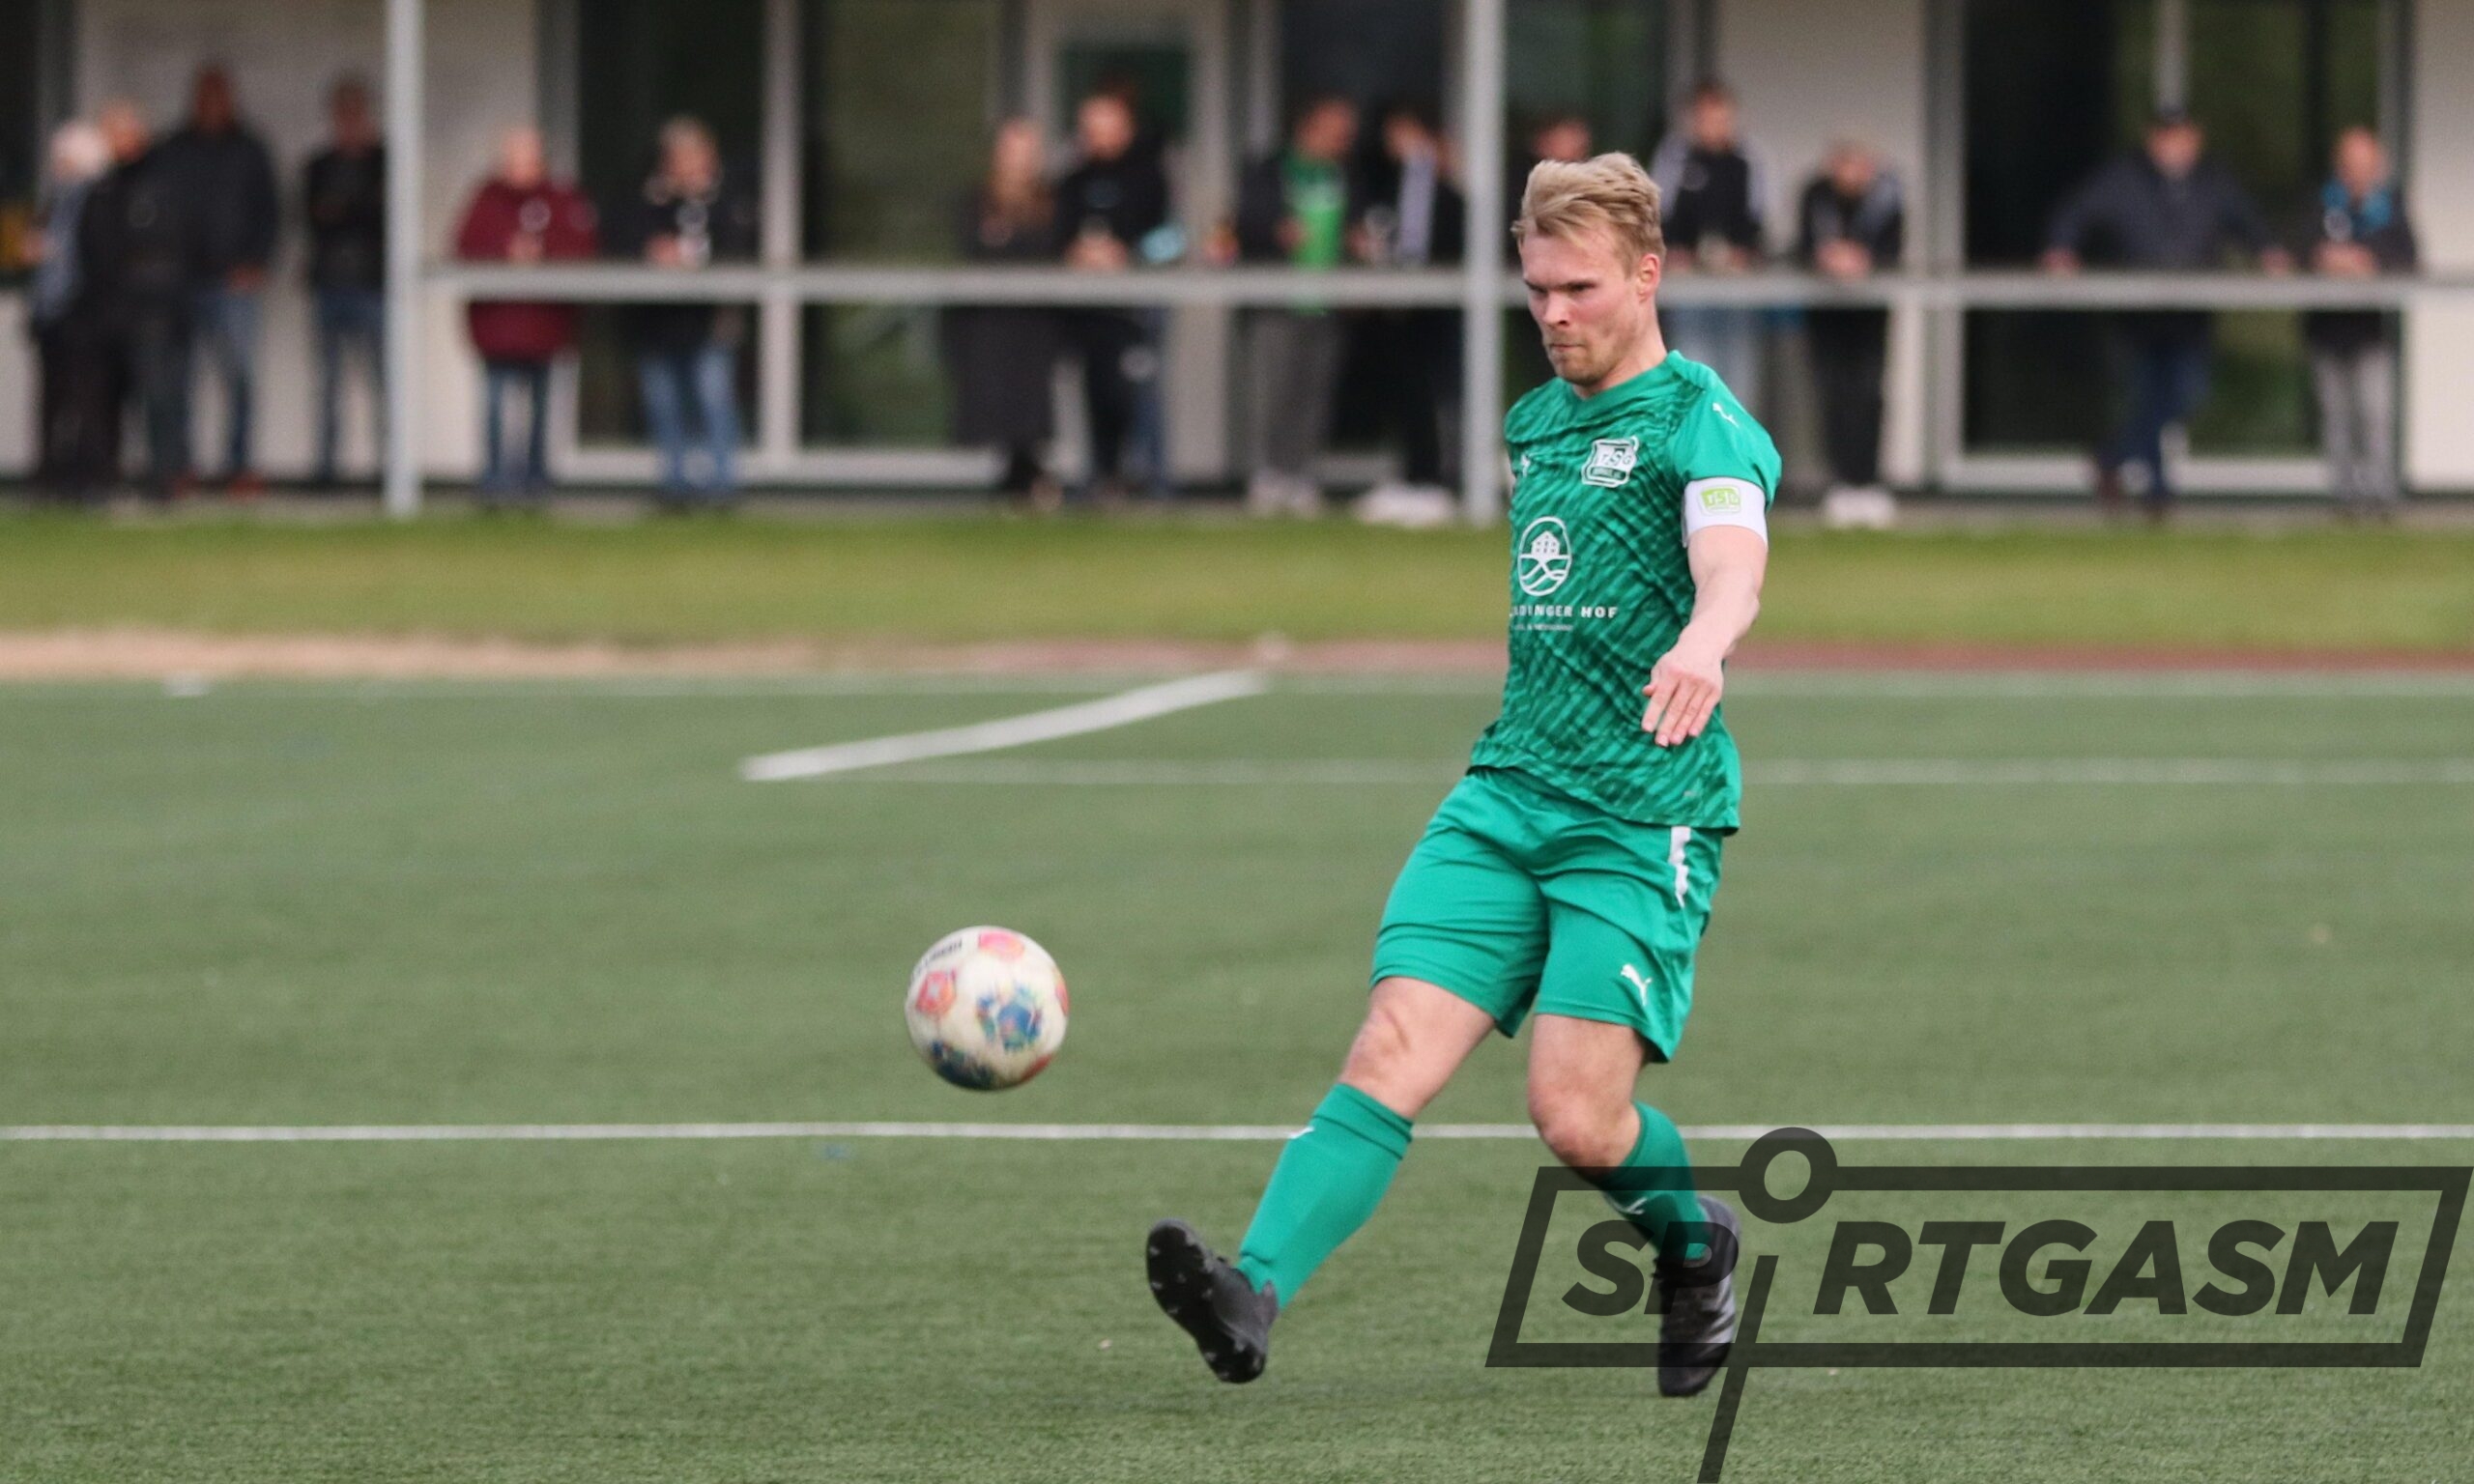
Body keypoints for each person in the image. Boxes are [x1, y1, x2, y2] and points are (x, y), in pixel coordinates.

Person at [1146, 151, 1775, 1400]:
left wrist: (1705, 639)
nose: (1553, 314)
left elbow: (1730, 556)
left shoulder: (1703, 421)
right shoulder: (1531, 426)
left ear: (1648, 275)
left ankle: (1695, 1242)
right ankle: (1251, 1289)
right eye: (1536, 289)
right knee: (1390, 1044)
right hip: (1503, 796)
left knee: (1574, 1118)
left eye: (1579, 288)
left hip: (1639, 812)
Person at [2042, 107, 2290, 518]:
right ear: (2152, 139)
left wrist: (2268, 251)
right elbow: (2077, 211)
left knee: (2186, 394)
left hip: (2191, 314)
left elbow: (2247, 221)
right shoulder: (2122, 178)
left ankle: (2111, 458)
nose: (2175, 146)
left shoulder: (2214, 182)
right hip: (2138, 312)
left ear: (2196, 139)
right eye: (2167, 137)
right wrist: (2061, 248)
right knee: (2147, 394)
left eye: (2182, 137)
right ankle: (2157, 491)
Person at [454, 126, 599, 505]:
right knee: (495, 408)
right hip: (497, 327)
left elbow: (582, 249)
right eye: (513, 160)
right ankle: (495, 481)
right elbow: (465, 247)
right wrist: (505, 251)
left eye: (527, 160)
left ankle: (536, 480)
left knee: (541, 408)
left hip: (544, 325)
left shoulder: (561, 198)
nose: (519, 168)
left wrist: (543, 254)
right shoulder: (486, 198)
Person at [621, 116, 759, 510]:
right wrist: (653, 250)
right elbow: (622, 240)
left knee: (714, 403)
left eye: (693, 157)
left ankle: (722, 487)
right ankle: (674, 486)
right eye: (678, 158)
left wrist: (695, 254)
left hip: (710, 323)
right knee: (664, 407)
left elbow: (739, 249)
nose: (686, 166)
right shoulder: (646, 200)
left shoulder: (727, 201)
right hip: (657, 323)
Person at [155, 65, 279, 496]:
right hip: (183, 281)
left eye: (219, 96)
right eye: (205, 96)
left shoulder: (249, 149)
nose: (212, 104)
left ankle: (238, 466)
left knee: (239, 377)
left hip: (233, 282)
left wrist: (256, 262)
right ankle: (181, 465)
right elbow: (157, 210)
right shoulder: (174, 149)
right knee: (179, 380)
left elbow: (270, 210)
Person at [1235, 95, 1359, 517]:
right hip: (1278, 299)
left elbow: (1359, 224)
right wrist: (1276, 231)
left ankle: (1301, 474)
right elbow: (1245, 221)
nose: (1343, 140)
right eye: (1336, 130)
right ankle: (1269, 473)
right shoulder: (1269, 170)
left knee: (1315, 391)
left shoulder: (1347, 174)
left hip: (1328, 301)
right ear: (1309, 126)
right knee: (1275, 390)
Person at [1052, 92, 1172, 503]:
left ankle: (1153, 481)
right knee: (1096, 393)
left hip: (1137, 310)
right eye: (1092, 129)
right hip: (1090, 310)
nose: (1099, 137)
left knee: (1139, 395)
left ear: (1126, 129)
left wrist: (1129, 254)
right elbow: (1056, 236)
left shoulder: (1151, 177)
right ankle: (1102, 478)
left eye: (1107, 128)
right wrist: (1076, 252)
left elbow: (1173, 239)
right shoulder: (1072, 181)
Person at [1356, 100, 1466, 523]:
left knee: (1436, 392)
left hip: (1438, 307)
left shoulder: (1448, 193)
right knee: (1405, 392)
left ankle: (1438, 479)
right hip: (1397, 309)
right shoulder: (1385, 185)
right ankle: (1414, 476)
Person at [945, 119, 1064, 510]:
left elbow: (1050, 251)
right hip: (991, 321)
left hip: (1034, 322)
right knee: (997, 401)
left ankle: (1029, 478)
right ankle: (1022, 480)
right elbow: (973, 251)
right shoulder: (977, 201)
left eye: (1027, 153)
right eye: (1013, 152)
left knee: (1030, 404)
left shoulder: (1052, 202)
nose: (1020, 161)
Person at [79, 100, 193, 500]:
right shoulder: (103, 185)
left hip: (153, 308)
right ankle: (106, 477)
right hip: (111, 309)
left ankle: (164, 478)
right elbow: (92, 248)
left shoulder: (162, 181)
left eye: (116, 134)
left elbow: (172, 244)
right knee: (108, 398)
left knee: (159, 394)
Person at [2304, 127, 2417, 520]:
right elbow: (2299, 247)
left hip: (2372, 331)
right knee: (2336, 416)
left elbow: (2408, 256)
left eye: (2366, 164)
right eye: (2352, 164)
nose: (2358, 172)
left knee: (2374, 415)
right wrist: (2325, 259)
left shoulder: (2390, 206)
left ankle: (2380, 495)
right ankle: (2345, 497)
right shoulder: (2322, 203)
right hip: (2326, 330)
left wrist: (2367, 261)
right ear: (2340, 166)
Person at [1794, 141, 1904, 515]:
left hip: (1870, 312)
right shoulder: (1815, 195)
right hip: (1826, 310)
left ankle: (1869, 480)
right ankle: (1841, 481)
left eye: (1859, 165)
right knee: (1833, 392)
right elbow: (1805, 243)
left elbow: (1892, 249)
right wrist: (1827, 257)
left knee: (1869, 392)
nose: (1852, 174)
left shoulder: (1887, 195)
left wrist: (1864, 259)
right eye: (1845, 164)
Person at [1652, 81, 1769, 413]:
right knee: (1692, 366)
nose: (1712, 127)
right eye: (1704, 119)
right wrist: (1674, 250)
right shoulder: (1674, 155)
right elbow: (1659, 211)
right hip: (1689, 282)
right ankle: (1696, 440)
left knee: (1738, 373)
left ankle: (1734, 442)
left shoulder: (1749, 157)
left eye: (1720, 118)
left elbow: (1760, 216)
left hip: (1737, 282)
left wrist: (1743, 251)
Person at [302, 76, 388, 487]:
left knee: (382, 382)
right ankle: (327, 470)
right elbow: (313, 217)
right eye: (343, 113)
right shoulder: (320, 165)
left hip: (372, 285)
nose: (350, 121)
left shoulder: (383, 162)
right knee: (328, 385)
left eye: (356, 112)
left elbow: (379, 216)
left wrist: (345, 208)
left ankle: (389, 470)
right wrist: (352, 208)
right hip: (330, 284)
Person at [24, 121, 115, 504]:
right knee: (51, 402)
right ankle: (50, 477)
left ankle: (88, 479)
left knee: (88, 401)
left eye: (63, 159)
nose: (57, 167)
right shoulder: (55, 201)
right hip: (52, 317)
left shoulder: (100, 200)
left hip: (84, 317)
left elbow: (101, 260)